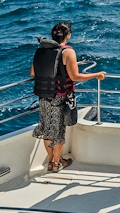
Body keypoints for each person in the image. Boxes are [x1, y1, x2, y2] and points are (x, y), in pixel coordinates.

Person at [31, 21, 106, 173]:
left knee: (47, 129)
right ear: (68, 35)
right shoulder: (67, 52)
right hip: (60, 96)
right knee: (59, 130)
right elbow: (75, 76)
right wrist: (96, 75)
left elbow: (33, 73)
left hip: (44, 95)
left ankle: (52, 161)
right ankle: (57, 163)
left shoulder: (41, 50)